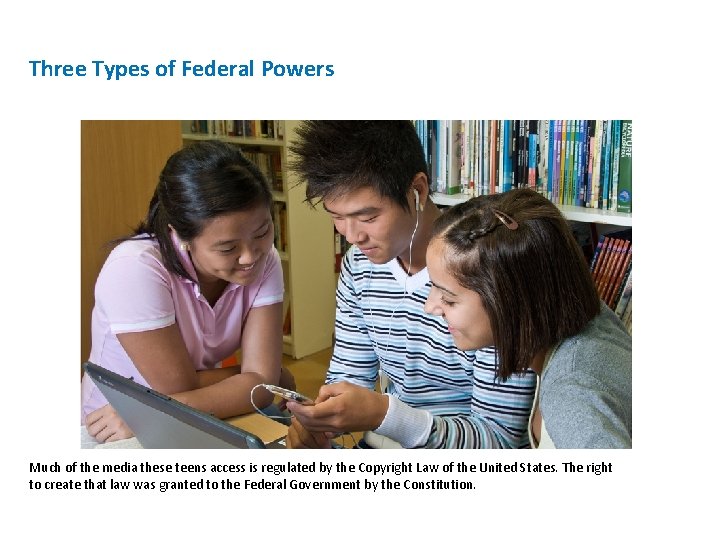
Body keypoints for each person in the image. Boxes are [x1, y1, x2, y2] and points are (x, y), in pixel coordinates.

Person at [284, 121, 536, 449]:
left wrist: (385, 416)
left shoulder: (488, 271)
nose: (352, 236)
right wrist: (322, 425)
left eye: (368, 217)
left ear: (417, 190)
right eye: (336, 216)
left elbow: (500, 442)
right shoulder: (358, 266)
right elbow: (348, 378)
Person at [81, 140, 290, 443]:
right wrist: (259, 377)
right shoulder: (135, 268)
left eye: (262, 232)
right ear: (179, 235)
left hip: (195, 412)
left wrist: (261, 380)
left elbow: (260, 384)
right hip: (116, 424)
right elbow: (178, 390)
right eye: (227, 248)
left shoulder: (265, 259)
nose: (250, 256)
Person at [424, 188, 632, 448]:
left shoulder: (572, 393)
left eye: (448, 299)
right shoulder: (586, 314)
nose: (430, 307)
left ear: (511, 299)